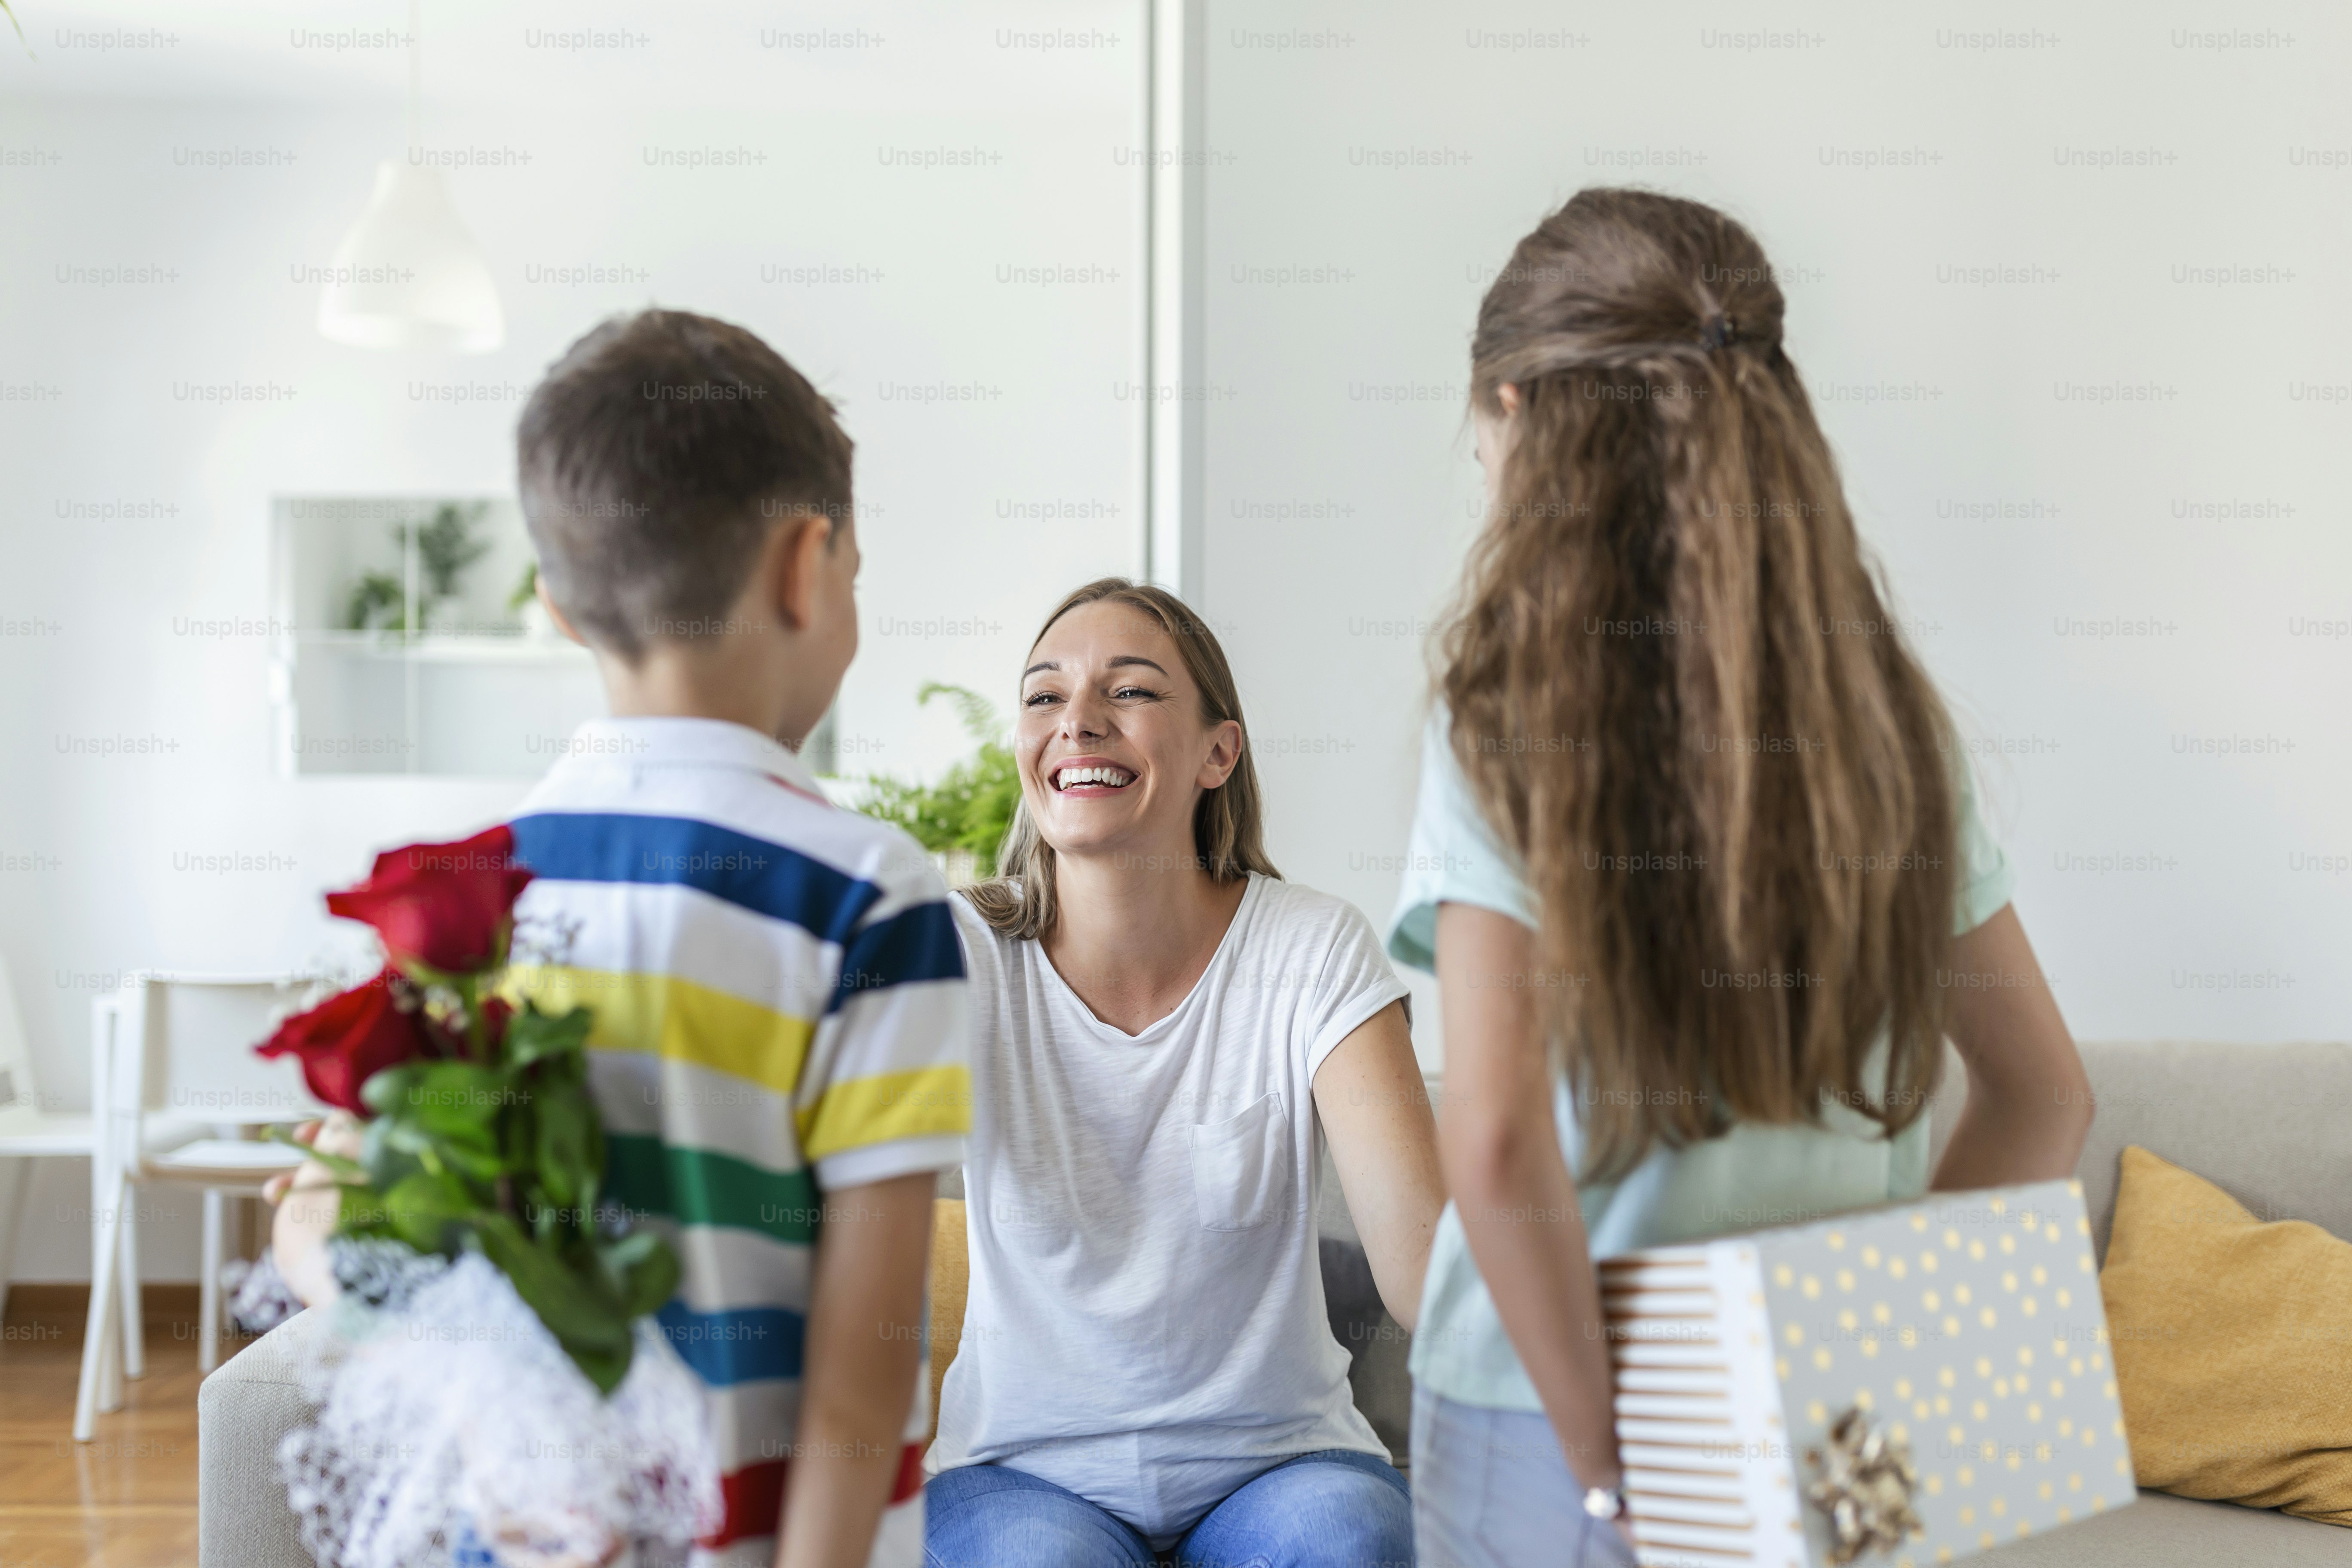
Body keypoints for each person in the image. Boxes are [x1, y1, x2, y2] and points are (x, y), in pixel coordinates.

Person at [1385, 189, 2095, 1568]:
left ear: (1518, 410)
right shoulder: (1888, 725)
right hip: (1831, 1400)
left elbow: (1494, 1142)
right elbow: (2046, 1091)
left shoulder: (1504, 719)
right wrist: (1891, 1341)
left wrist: (1612, 1465)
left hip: (1544, 1409)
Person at [274, 309, 971, 1568]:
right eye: (856, 576)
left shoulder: (459, 898)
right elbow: (864, 1380)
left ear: (555, 605)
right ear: (806, 566)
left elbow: (322, 1221)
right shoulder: (870, 893)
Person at [923, 579, 1445, 1568]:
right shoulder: (958, 952)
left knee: (1350, 1545)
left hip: (1283, 1468)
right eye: (1044, 697)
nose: (1078, 720)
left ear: (1219, 753)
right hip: (1021, 1476)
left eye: (1131, 692)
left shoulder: (1313, 948)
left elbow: (1424, 1269)